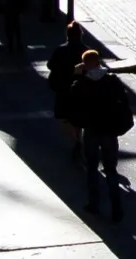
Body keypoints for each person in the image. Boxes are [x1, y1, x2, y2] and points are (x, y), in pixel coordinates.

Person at [71, 49, 134, 222]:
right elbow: (124, 104)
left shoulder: (82, 83)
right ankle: (117, 208)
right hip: (110, 131)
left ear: (85, 65)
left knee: (92, 168)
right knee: (111, 170)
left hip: (91, 131)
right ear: (99, 62)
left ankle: (94, 203)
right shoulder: (112, 81)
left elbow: (73, 103)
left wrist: (77, 76)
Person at [47, 21, 86, 159]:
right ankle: (79, 139)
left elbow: (50, 65)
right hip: (81, 90)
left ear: (67, 35)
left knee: (65, 118)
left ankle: (75, 141)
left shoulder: (60, 50)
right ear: (80, 35)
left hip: (63, 88)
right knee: (79, 118)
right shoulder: (86, 51)